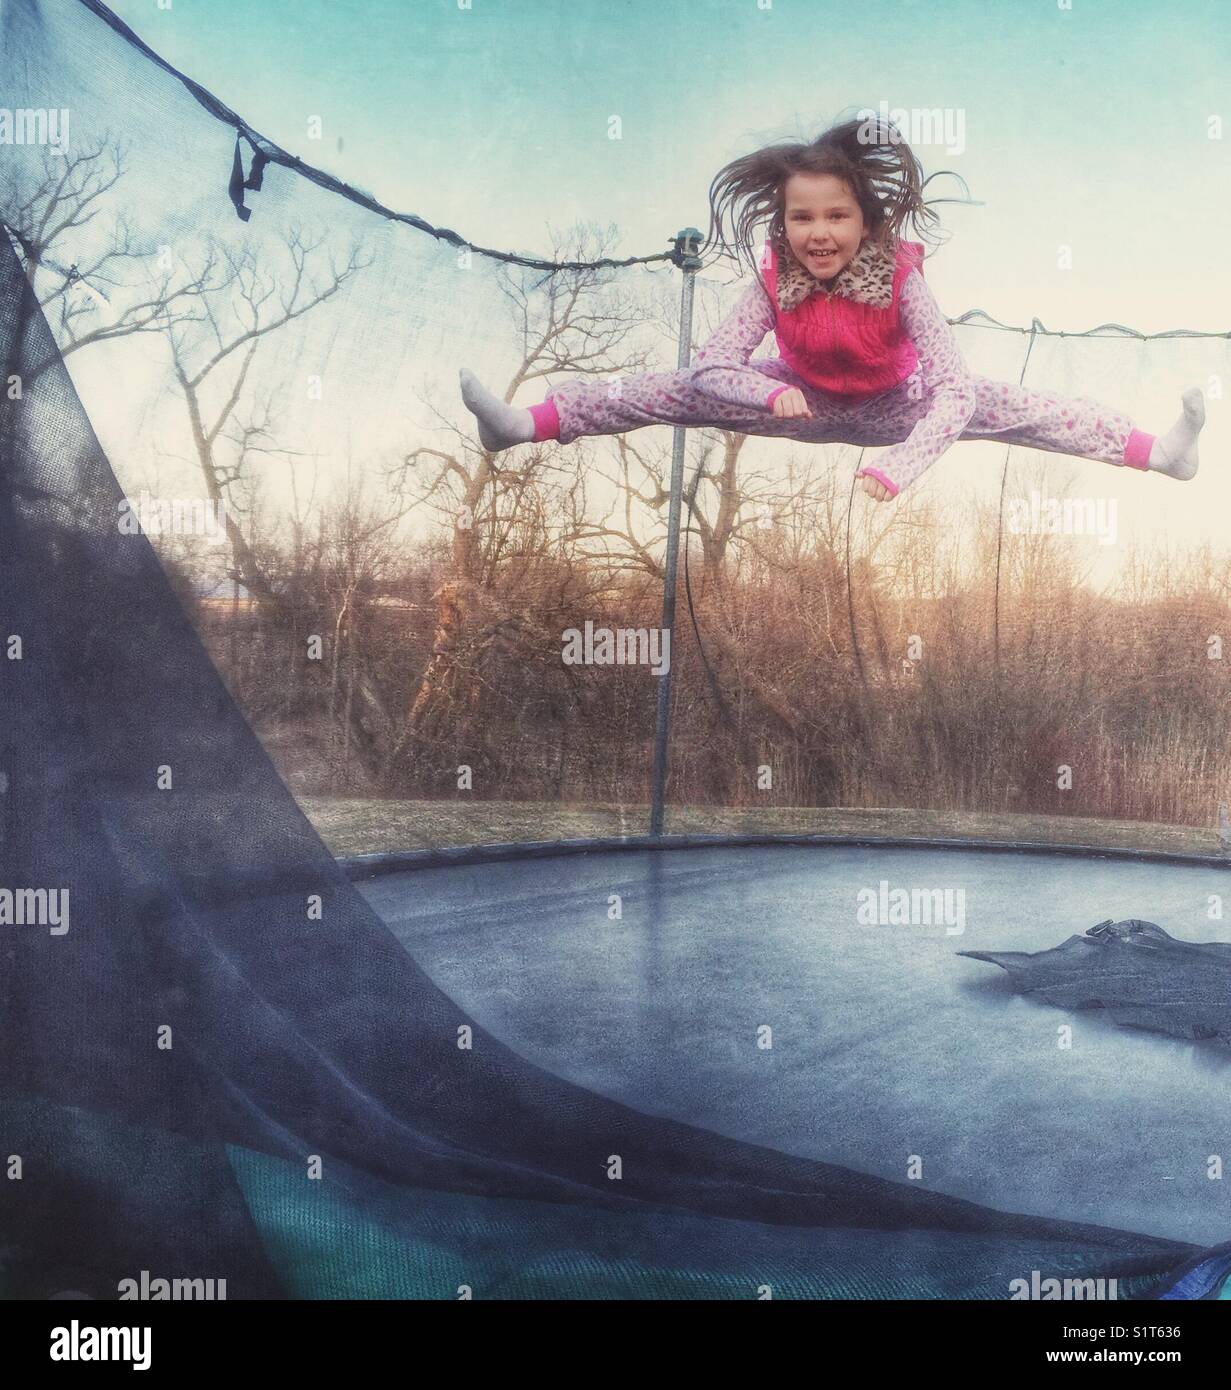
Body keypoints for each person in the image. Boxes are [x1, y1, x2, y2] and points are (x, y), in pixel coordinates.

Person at [459, 116, 1204, 502]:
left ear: (865, 222)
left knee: (1024, 406)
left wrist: (901, 464)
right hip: (800, 400)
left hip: (896, 406)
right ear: (781, 223)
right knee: (669, 387)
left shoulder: (898, 276)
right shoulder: (774, 277)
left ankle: (1161, 456)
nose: (818, 234)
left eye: (836, 218)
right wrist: (771, 390)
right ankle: (523, 425)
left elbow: (951, 386)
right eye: (802, 219)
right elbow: (715, 364)